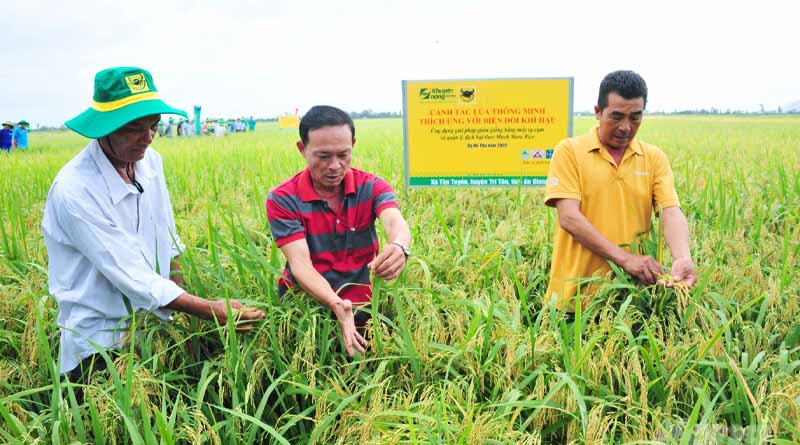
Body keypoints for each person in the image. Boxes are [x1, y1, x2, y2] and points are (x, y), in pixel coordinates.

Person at [41, 67, 265, 381]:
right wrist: (208, 310)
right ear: (105, 128)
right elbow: (128, 273)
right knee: (110, 421)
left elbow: (167, 238)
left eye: (154, 126)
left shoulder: (150, 162)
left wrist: (184, 318)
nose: (147, 138)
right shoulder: (75, 189)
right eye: (134, 127)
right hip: (99, 339)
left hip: (153, 328)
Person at [544, 70, 696, 315]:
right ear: (598, 111)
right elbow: (569, 218)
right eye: (616, 116)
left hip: (633, 299)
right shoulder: (570, 152)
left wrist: (682, 257)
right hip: (575, 301)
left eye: (635, 117)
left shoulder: (653, 158)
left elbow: (670, 211)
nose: (626, 127)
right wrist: (626, 260)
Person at [266, 105, 412, 357]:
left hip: (363, 300)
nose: (335, 166)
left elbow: (394, 221)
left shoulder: (372, 186)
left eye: (343, 154)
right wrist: (335, 303)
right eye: (323, 156)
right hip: (304, 306)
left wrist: (400, 245)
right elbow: (300, 264)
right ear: (302, 149)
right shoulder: (283, 198)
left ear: (353, 144)